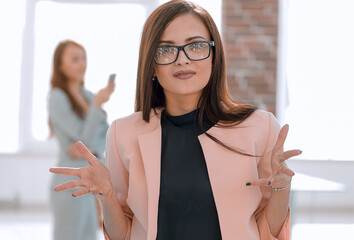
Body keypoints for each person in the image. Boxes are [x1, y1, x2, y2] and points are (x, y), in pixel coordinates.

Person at [49, 1, 302, 239]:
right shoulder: (123, 134)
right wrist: (107, 196)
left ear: (214, 56)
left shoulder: (260, 128)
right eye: (166, 49)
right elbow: (123, 234)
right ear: (151, 65)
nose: (183, 59)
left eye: (196, 46)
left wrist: (282, 189)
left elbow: (268, 231)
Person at [48, 39, 115, 240]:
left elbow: (105, 135)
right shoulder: (57, 97)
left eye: (83, 58)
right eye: (74, 59)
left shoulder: (88, 96)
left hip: (89, 183)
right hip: (68, 182)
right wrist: (97, 105)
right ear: (60, 65)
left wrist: (92, 151)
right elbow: (82, 137)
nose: (82, 64)